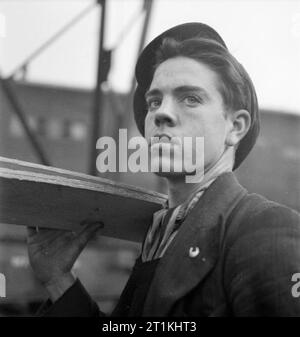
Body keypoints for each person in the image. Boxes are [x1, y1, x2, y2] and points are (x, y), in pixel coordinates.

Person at [27, 22, 300, 317]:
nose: (161, 114)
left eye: (191, 98)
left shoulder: (264, 228)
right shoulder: (160, 233)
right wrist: (58, 279)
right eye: (154, 101)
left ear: (235, 127)